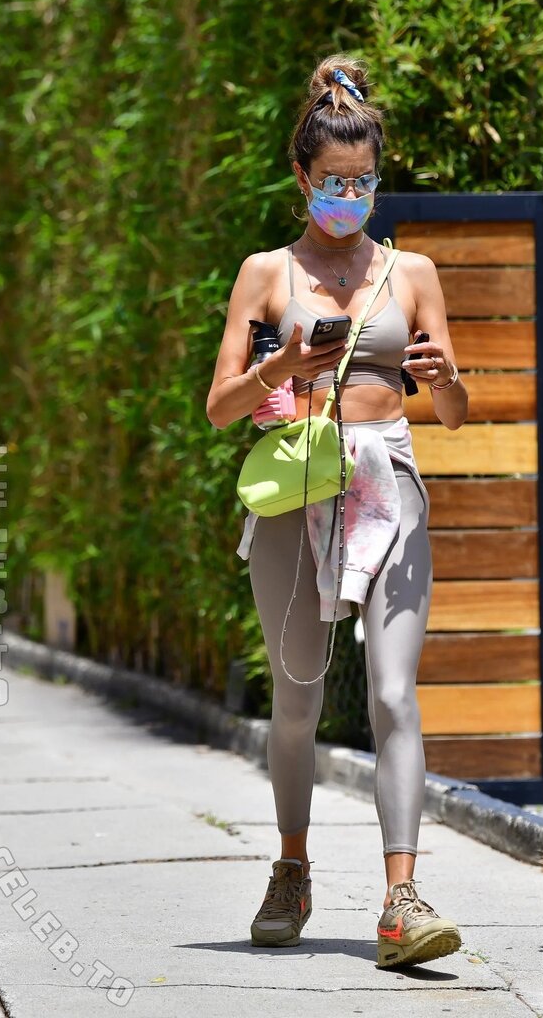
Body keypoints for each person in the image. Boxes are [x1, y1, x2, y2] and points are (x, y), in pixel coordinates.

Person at [206, 54, 468, 968]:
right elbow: (220, 407)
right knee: (298, 697)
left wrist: (446, 379)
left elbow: (453, 413)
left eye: (362, 181)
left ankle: (401, 899)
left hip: (388, 478)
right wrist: (281, 369)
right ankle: (292, 868)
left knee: (395, 692)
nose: (348, 196)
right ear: (301, 177)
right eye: (333, 181)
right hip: (299, 482)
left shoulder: (414, 271)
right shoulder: (265, 273)